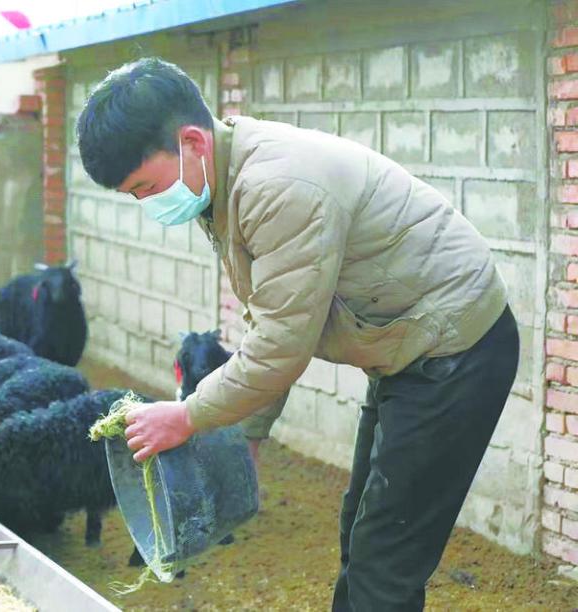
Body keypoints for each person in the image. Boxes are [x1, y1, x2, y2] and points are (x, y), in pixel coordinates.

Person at [75, 57, 519, 611]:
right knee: (361, 526)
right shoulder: (223, 182)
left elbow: (282, 346)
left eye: (145, 186)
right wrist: (248, 438)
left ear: (191, 141)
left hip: (455, 349)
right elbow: (274, 318)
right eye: (133, 195)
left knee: (386, 552)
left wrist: (187, 415)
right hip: (404, 346)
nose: (147, 204)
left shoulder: (276, 187)